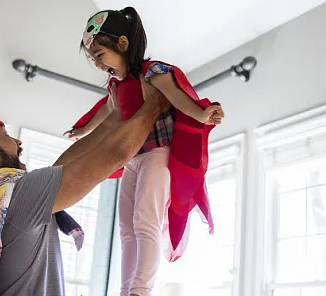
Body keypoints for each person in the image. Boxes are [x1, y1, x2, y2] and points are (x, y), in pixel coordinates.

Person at [0, 78, 170, 296]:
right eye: (5, 136)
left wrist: (113, 118)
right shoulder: (13, 194)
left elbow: (62, 167)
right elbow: (117, 153)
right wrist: (153, 106)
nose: (17, 142)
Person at [64, 7, 225, 296]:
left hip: (157, 154)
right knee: (126, 228)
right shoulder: (117, 86)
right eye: (94, 60)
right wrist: (81, 131)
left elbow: (179, 97)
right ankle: (127, 289)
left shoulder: (153, 73)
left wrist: (202, 115)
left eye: (100, 56)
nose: (99, 65)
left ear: (123, 45)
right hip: (132, 159)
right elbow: (105, 114)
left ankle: (140, 290)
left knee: (145, 221)